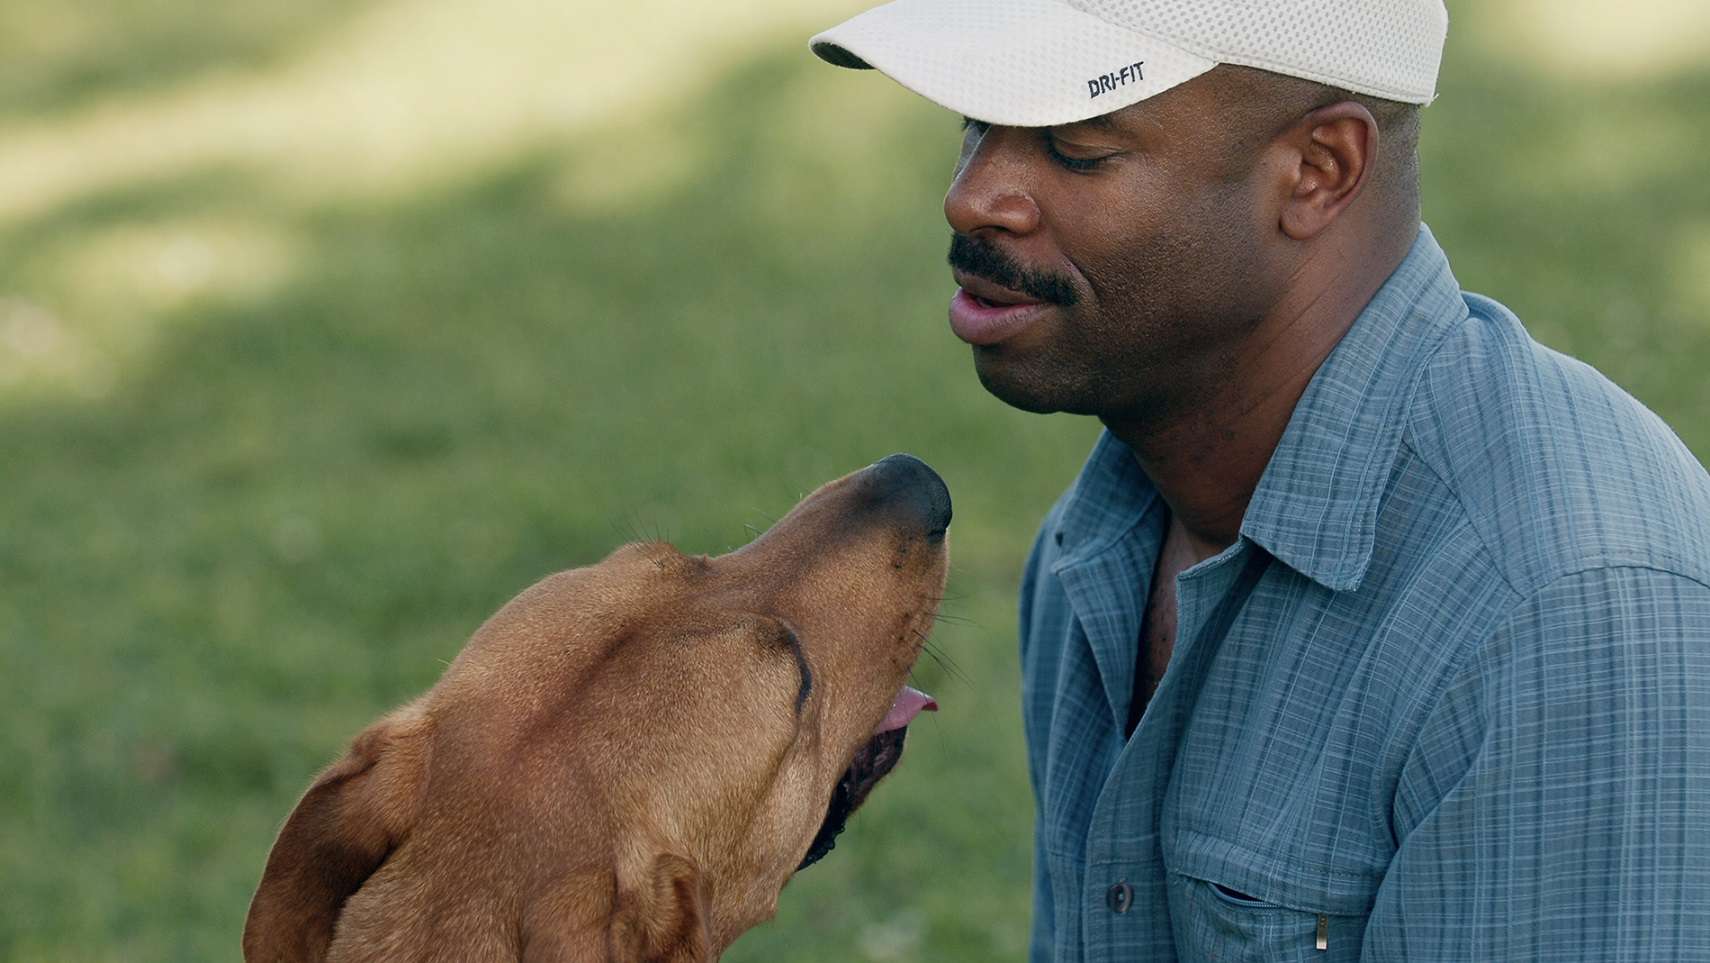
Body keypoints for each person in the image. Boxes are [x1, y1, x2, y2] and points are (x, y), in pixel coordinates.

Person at [808, 1, 1710, 960]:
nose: (975, 195)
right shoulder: (1097, 542)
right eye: (977, 122)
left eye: (1075, 147)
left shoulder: (1557, 618)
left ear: (1319, 171)